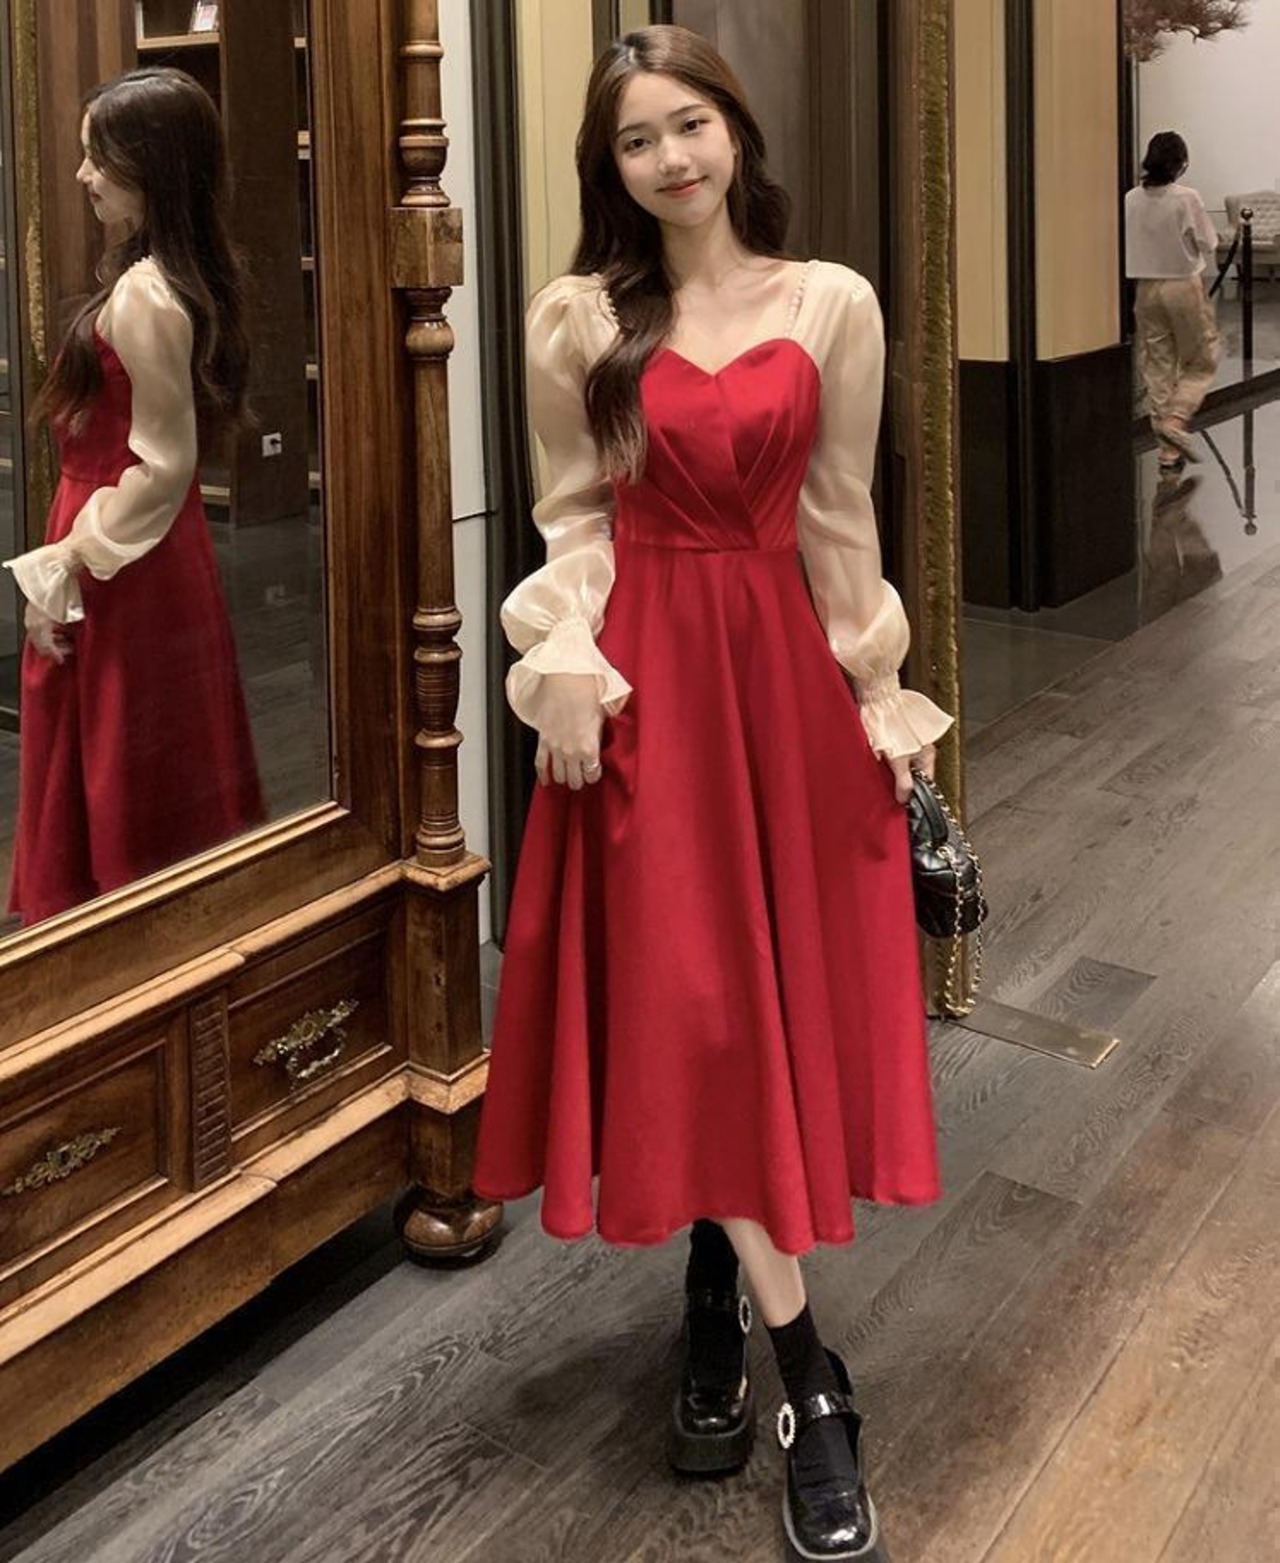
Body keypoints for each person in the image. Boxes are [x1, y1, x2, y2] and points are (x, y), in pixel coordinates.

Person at [472, 26, 951, 1561]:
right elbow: (572, 519)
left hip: (782, 686)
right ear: (607, 167)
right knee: (697, 1003)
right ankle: (812, 1376)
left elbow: (841, 519)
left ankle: (710, 1285)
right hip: (646, 690)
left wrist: (878, 692)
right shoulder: (576, 320)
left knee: (758, 1005)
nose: (670, 158)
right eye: (636, 139)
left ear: (734, 130)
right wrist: (564, 658)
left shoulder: (833, 303)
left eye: (690, 124)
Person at [3, 68, 263, 925]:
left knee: (129, 749)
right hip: (131, 544)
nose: (83, 175)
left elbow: (161, 464)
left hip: (124, 555)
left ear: (152, 166)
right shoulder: (155, 276)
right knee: (140, 747)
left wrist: (65, 564)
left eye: (99, 158)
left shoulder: (149, 292)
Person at [1125, 131, 1222, 471]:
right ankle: (1177, 420)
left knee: (1158, 365)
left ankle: (1168, 452)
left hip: (1145, 289)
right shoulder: (1186, 197)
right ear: (1180, 163)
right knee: (1202, 359)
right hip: (1182, 285)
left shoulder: (1131, 198)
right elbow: (1208, 242)